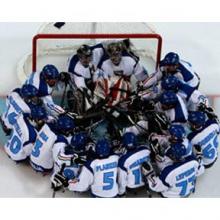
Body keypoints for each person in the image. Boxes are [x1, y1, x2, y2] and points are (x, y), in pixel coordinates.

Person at [52, 138, 119, 198]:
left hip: (98, 195)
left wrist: (67, 183)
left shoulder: (91, 165)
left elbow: (82, 186)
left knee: (72, 174)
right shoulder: (116, 158)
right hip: (114, 194)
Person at [118, 132, 150, 196]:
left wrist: (121, 193)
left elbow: (122, 180)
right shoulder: (146, 149)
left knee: (121, 172)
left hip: (132, 188)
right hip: (148, 183)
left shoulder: (123, 160)